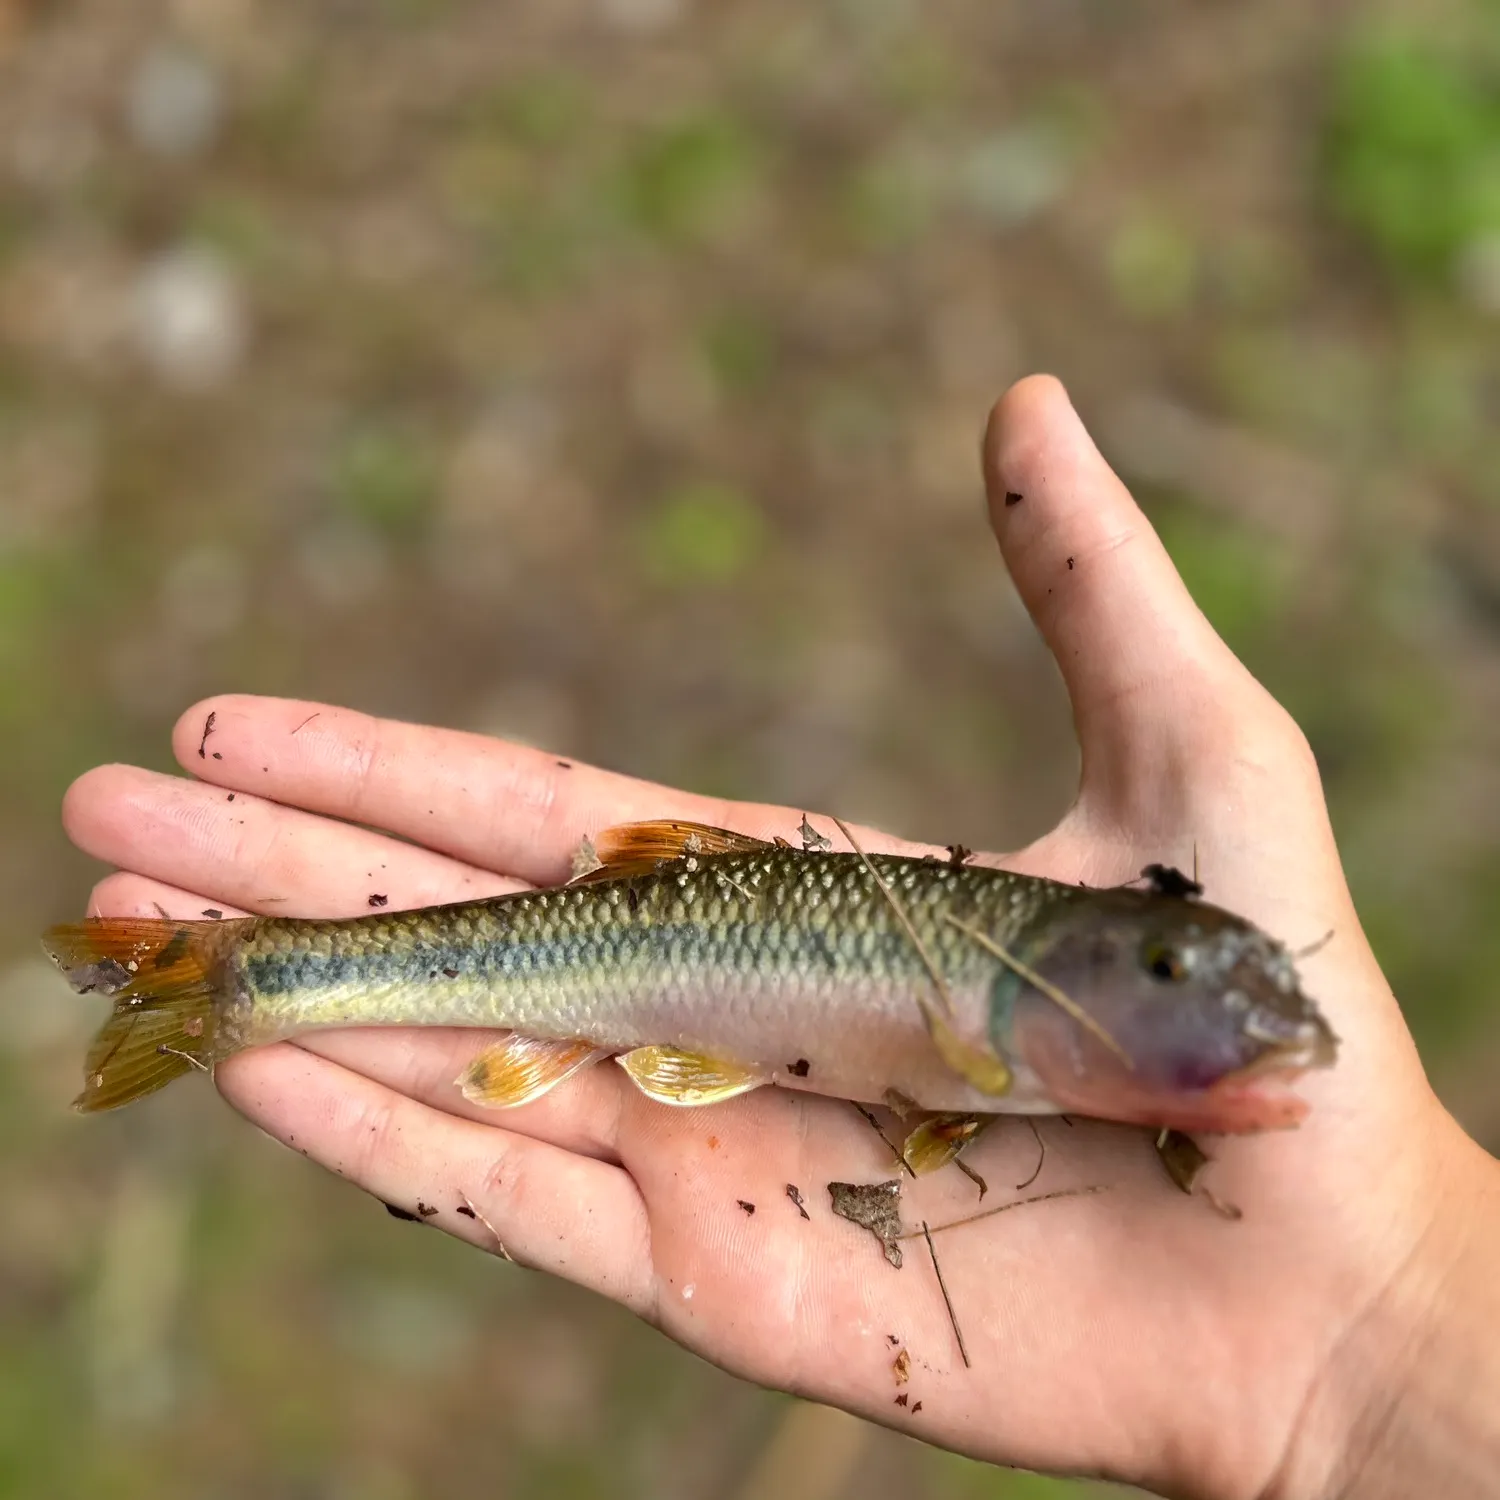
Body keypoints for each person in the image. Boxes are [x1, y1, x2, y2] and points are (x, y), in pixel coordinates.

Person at [61, 377, 1500, 1499]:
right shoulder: (1007, 1031)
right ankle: (245, 981)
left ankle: (237, 985)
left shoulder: (1055, 1048)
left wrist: (1392, 1311)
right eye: (1178, 969)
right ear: (1083, 971)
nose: (1224, 1012)